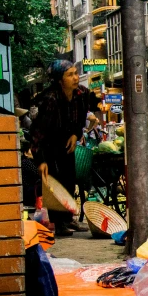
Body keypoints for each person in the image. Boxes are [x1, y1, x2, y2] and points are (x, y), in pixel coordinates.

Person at [30, 60, 98, 236]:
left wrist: (76, 134)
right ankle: (58, 223)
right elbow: (38, 132)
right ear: (59, 80)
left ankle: (67, 219)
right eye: (70, 75)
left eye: (76, 73)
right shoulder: (49, 99)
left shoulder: (82, 94)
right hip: (48, 145)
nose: (76, 78)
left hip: (67, 144)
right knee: (54, 183)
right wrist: (41, 160)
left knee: (69, 179)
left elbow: (81, 119)